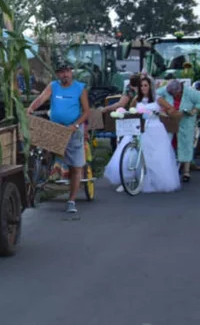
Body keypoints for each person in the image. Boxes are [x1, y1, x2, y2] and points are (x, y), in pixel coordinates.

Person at [27, 61, 90, 214]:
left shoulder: (80, 88)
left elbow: (86, 111)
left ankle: (71, 200)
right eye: (61, 72)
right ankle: (41, 183)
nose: (65, 75)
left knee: (75, 166)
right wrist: (30, 108)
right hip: (55, 128)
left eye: (67, 71)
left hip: (72, 129)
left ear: (71, 72)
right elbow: (41, 99)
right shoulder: (53, 86)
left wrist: (75, 126)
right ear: (58, 74)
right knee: (42, 153)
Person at [104, 75, 180, 193]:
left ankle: (153, 180)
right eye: (141, 86)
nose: (143, 88)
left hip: (154, 129)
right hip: (139, 128)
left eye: (146, 85)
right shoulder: (136, 99)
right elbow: (131, 111)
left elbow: (170, 109)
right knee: (131, 154)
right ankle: (128, 180)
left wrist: (166, 112)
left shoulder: (158, 99)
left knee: (154, 156)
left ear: (150, 86)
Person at [156, 79, 200, 182]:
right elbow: (155, 95)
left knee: (186, 144)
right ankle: (167, 168)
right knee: (167, 143)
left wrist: (194, 110)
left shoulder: (191, 93)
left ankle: (186, 171)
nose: (174, 95)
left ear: (180, 90)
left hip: (186, 121)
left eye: (175, 94)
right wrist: (164, 107)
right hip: (170, 120)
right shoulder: (166, 90)